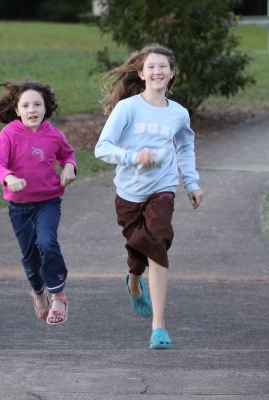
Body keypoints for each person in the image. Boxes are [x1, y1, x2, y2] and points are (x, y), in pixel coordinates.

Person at [94, 43, 204, 349]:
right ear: (141, 73)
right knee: (138, 246)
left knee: (156, 241)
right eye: (151, 67)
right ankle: (133, 281)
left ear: (172, 74)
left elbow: (184, 147)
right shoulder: (128, 108)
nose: (157, 72)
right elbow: (102, 147)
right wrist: (133, 157)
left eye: (163, 67)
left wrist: (191, 183)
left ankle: (158, 327)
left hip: (162, 188)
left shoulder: (179, 114)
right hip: (128, 191)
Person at [0, 78, 76, 326]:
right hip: (19, 207)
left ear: (45, 108)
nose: (32, 110)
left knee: (47, 242)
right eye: (26, 105)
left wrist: (69, 167)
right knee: (30, 256)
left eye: (37, 104)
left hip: (48, 201)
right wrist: (8, 178)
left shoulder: (54, 135)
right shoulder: (8, 134)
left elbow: (68, 154)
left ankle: (58, 296)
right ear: (17, 110)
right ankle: (38, 293)